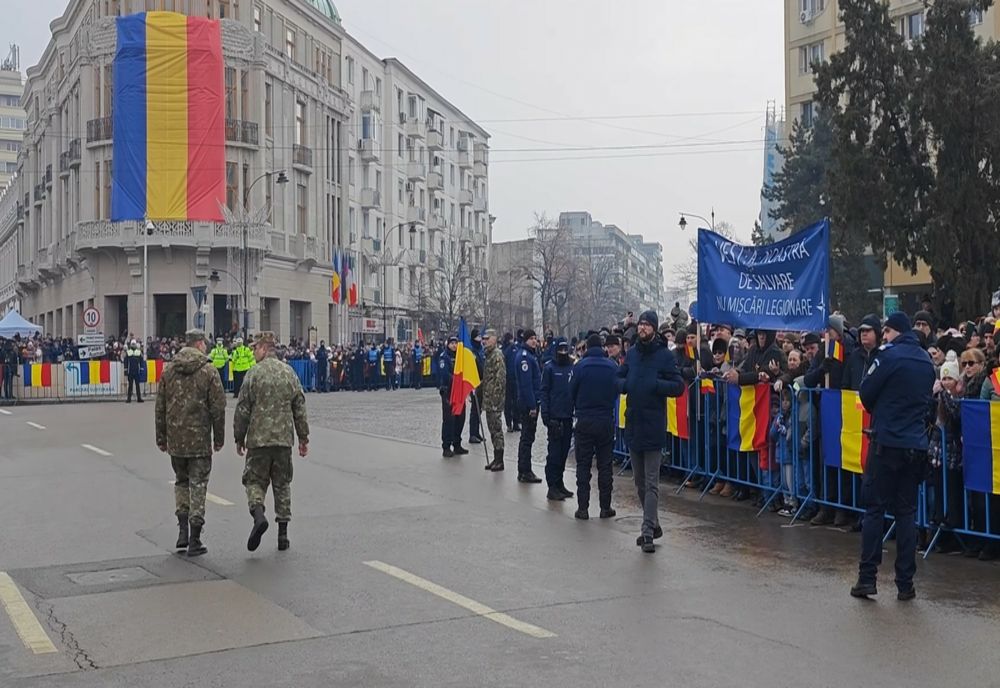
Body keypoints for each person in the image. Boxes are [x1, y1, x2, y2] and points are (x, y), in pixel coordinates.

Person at [851, 312, 935, 601]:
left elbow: (866, 393)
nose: (883, 336)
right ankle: (905, 584)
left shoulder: (888, 356)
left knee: (874, 509)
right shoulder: (926, 360)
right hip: (915, 446)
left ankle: (867, 578)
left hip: (886, 443)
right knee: (906, 513)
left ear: (896, 331)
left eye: (886, 331)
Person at [234, 331, 310, 552]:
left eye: (255, 348)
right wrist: (303, 437)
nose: (252, 352)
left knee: (254, 481)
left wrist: (239, 437)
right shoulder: (289, 373)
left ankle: (258, 515)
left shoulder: (253, 374)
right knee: (282, 483)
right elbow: (299, 407)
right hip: (283, 440)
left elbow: (243, 409)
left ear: (265, 348)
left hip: (258, 440)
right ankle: (283, 535)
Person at [154, 329, 226, 557]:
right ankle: (195, 537)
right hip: (200, 439)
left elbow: (160, 407)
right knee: (198, 484)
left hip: (176, 440)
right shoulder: (208, 371)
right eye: (204, 343)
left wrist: (161, 437)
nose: (206, 346)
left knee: (181, 483)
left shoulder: (169, 370)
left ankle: (182, 531)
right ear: (198, 344)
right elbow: (218, 408)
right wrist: (219, 438)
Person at [619, 310, 685, 553]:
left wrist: (656, 385)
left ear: (655, 329)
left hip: (654, 424)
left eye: (647, 325)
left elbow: (678, 386)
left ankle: (647, 532)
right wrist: (625, 385)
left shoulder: (664, 356)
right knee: (638, 482)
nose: (643, 328)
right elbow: (619, 377)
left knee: (651, 482)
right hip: (634, 423)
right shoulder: (633, 354)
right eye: (641, 325)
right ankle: (654, 523)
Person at [570, 333, 620, 520]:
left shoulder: (580, 366)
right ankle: (605, 507)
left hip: (584, 419)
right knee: (605, 465)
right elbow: (616, 390)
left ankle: (583, 508)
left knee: (583, 465)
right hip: (605, 418)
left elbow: (571, 391)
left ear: (587, 348)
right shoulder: (612, 366)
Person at [540, 338, 574, 501]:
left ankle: (559, 483)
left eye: (565, 349)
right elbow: (544, 392)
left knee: (564, 453)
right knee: (554, 454)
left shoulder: (571, 367)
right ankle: (552, 486)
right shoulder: (549, 368)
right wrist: (545, 416)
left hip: (567, 416)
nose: (563, 353)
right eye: (560, 350)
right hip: (554, 417)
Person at [515, 329, 543, 483]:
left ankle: (525, 469)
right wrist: (533, 405)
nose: (534, 341)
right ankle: (525, 470)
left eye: (535, 338)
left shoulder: (530, 355)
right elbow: (526, 385)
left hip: (530, 401)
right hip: (528, 404)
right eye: (531, 338)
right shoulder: (525, 358)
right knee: (527, 437)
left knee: (528, 437)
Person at [438, 336, 469, 457]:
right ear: (448, 344)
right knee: (448, 420)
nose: (454, 345)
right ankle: (446, 446)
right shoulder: (444, 357)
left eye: (456, 343)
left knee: (460, 418)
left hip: (460, 391)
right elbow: (444, 374)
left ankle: (457, 443)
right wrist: (456, 380)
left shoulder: (460, 357)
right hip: (448, 391)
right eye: (452, 343)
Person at [481, 329, 507, 471]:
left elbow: (500, 379)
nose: (485, 341)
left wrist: (496, 399)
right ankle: (496, 458)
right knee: (492, 429)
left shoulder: (497, 355)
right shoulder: (488, 355)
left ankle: (500, 460)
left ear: (494, 338)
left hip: (494, 400)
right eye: (484, 338)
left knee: (497, 430)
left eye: (487, 338)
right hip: (489, 399)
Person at [468, 329, 486, 444]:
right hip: (475, 382)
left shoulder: (481, 350)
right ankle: (472, 434)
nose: (480, 339)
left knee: (479, 410)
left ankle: (477, 432)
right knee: (475, 410)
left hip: (482, 382)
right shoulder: (471, 351)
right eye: (478, 337)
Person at [124, 339, 144, 403]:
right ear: (130, 345)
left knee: (137, 385)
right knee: (130, 385)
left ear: (135, 345)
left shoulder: (139, 352)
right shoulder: (128, 352)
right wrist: (125, 370)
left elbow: (141, 362)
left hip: (137, 371)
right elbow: (126, 362)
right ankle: (129, 398)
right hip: (130, 371)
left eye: (134, 344)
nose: (133, 345)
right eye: (132, 344)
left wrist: (141, 369)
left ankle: (139, 398)